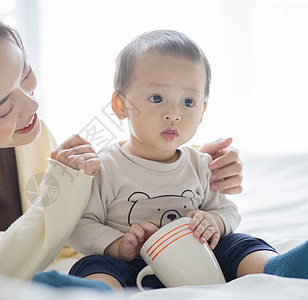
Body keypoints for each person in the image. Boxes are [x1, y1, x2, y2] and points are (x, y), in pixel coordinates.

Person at [0, 0, 244, 292]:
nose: (31, 105)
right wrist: (58, 199)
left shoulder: (29, 136)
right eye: (4, 104)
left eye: (25, 75)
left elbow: (69, 235)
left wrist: (179, 171)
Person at [68, 30, 308, 290]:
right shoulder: (106, 166)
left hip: (199, 258)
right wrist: (118, 245)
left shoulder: (199, 164)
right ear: (120, 105)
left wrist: (213, 222)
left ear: (202, 112)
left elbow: (228, 212)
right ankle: (97, 291)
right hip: (133, 262)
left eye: (188, 102)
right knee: (93, 265)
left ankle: (276, 267)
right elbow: (81, 225)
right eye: (157, 98)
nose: (174, 113)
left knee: (239, 244)